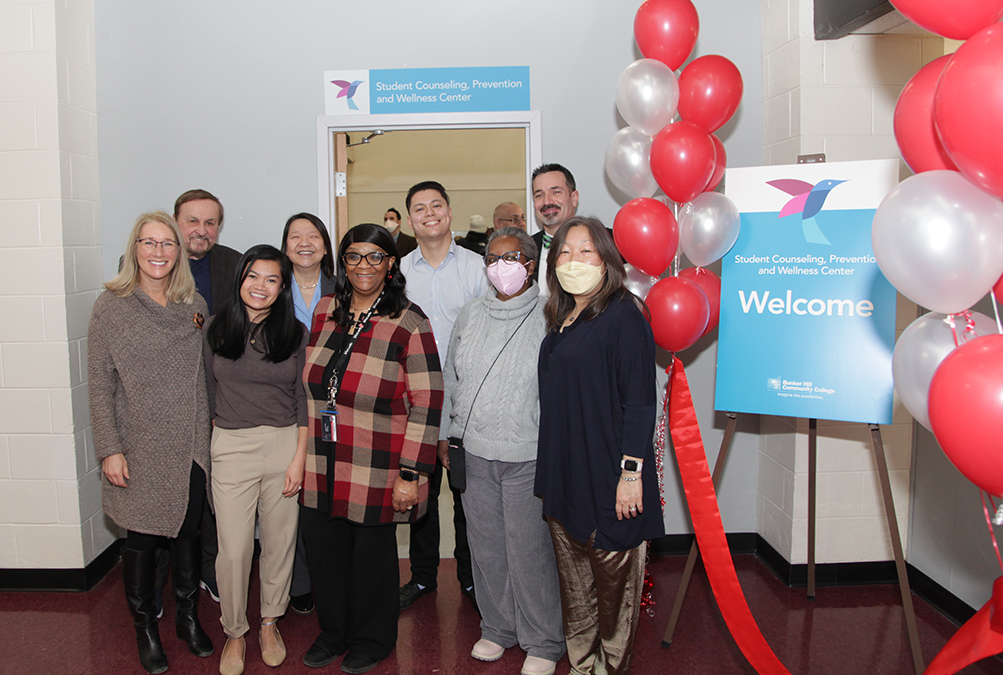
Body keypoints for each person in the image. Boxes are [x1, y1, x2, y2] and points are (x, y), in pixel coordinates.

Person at [300, 223, 443, 674]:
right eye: (354, 257)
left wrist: (410, 474)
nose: (364, 266)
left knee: (370, 559)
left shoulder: (409, 321)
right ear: (342, 264)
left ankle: (372, 638)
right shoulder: (325, 310)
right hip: (322, 458)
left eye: (375, 257)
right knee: (325, 551)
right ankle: (334, 631)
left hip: (376, 462)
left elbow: (427, 399)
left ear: (391, 264)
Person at [535, 216, 664, 675]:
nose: (575, 261)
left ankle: (609, 667)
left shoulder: (624, 316)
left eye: (586, 251)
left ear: (607, 260)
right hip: (565, 477)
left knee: (614, 595)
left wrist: (631, 475)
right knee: (577, 591)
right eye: (565, 252)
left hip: (611, 479)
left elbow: (639, 403)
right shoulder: (561, 317)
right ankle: (581, 664)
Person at [88, 211, 213, 674]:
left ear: (179, 252)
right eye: (149, 242)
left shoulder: (193, 303)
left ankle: (187, 617)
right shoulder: (112, 305)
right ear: (134, 248)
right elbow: (100, 385)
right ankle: (145, 626)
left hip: (192, 442)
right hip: (138, 444)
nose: (158, 252)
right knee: (140, 540)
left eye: (168, 244)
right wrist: (109, 448)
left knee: (187, 533)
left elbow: (206, 372)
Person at [442, 227, 565, 675]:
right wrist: (447, 434)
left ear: (531, 264)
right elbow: (452, 378)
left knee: (528, 550)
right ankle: (497, 628)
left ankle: (543, 640)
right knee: (486, 547)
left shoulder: (553, 316)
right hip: (473, 452)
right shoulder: (471, 314)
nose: (499, 266)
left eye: (510, 257)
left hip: (527, 455)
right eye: (491, 259)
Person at [204, 245, 308, 675]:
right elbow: (208, 392)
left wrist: (300, 457)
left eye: (271, 279)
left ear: (282, 287)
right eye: (253, 276)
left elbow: (304, 399)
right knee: (233, 549)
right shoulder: (213, 328)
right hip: (230, 444)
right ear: (240, 279)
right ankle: (234, 630)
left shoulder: (295, 333)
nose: (260, 286)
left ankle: (269, 622)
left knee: (280, 543)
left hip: (284, 444)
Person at [398, 180, 489, 612]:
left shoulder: (476, 268)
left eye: (436, 205)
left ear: (449, 211)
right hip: (412, 401)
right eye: (419, 208)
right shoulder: (397, 272)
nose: (429, 213)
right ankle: (422, 577)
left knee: (467, 495)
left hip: (466, 398)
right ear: (410, 218)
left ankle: (472, 578)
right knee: (421, 495)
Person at [174, 188, 243, 603]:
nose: (202, 230)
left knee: (217, 485)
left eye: (210, 222)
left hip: (219, 394)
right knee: (176, 487)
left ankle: (210, 569)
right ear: (176, 222)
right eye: (193, 221)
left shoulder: (234, 264)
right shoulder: (150, 259)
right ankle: (169, 577)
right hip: (169, 396)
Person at [281, 212, 335, 616]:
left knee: (328, 496)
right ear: (285, 246)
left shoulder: (345, 287)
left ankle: (330, 577)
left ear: (324, 245)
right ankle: (299, 581)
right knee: (292, 499)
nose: (304, 242)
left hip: (335, 407)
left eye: (312, 235)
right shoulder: (270, 287)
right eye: (295, 236)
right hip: (284, 407)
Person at [530, 164, 580, 291]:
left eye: (556, 192)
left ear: (574, 198)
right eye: (539, 195)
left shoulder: (603, 241)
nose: (547, 201)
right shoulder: (526, 249)